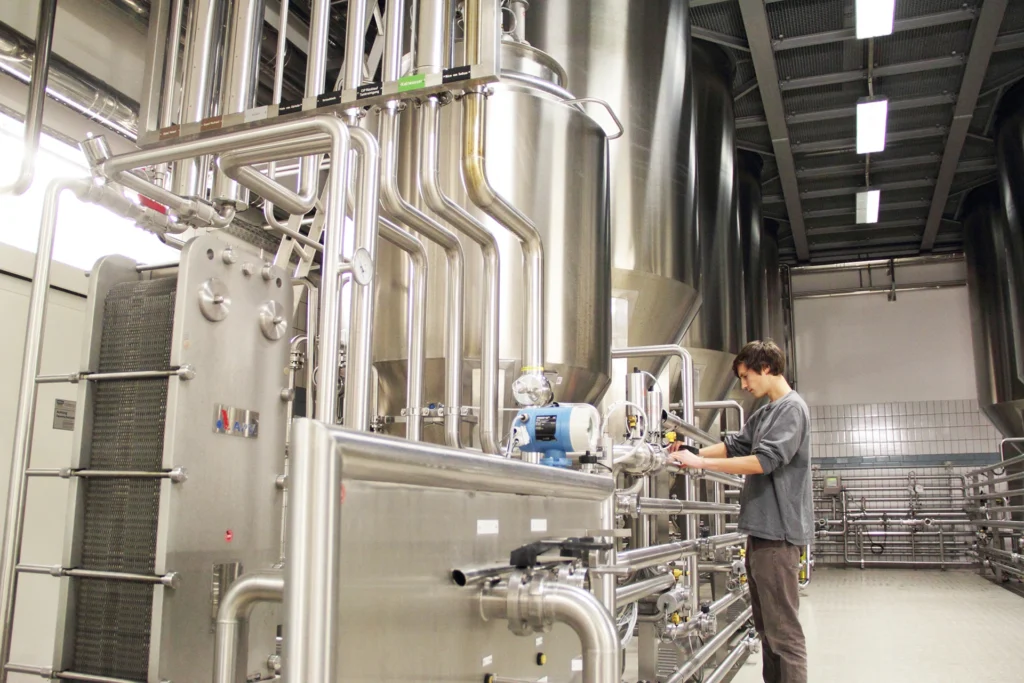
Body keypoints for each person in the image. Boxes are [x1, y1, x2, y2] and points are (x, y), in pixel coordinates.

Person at [669, 339, 811, 683]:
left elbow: (764, 461)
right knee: (766, 629)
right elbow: (736, 444)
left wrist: (700, 462)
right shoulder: (766, 411)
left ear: (766, 368)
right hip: (761, 533)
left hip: (778, 534)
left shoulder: (792, 409)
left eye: (747, 376)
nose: (744, 385)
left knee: (784, 634)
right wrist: (691, 449)